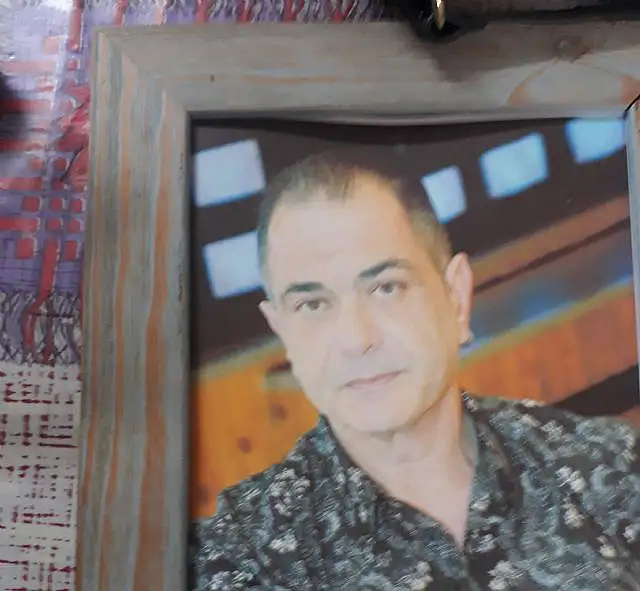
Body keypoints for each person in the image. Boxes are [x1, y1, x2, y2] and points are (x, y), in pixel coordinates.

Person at [190, 151, 640, 590]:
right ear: (283, 331)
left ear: (455, 297)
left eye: (386, 288)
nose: (356, 339)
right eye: (312, 305)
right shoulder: (237, 558)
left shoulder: (608, 464)